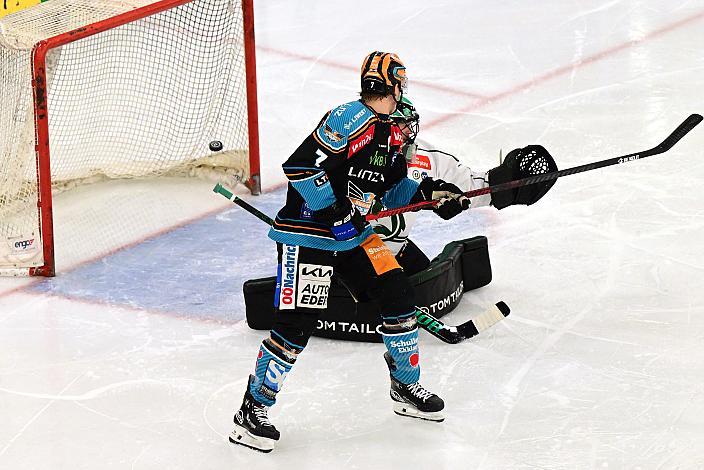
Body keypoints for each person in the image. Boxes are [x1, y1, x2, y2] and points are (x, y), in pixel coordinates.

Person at [229, 51, 472, 453]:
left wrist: (433, 196)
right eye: (405, 124)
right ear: (393, 86)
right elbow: (301, 167)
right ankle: (251, 413)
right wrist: (336, 211)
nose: (408, 135)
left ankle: (405, 387)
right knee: (296, 324)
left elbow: (389, 193)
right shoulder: (350, 118)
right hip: (307, 234)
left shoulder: (390, 143)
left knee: (397, 292)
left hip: (353, 236)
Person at [373, 95, 557, 274]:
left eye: (409, 123)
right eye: (401, 124)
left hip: (393, 248)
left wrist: (504, 186)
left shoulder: (423, 156)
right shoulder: (359, 157)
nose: (408, 131)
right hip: (356, 251)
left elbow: (463, 184)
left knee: (426, 282)